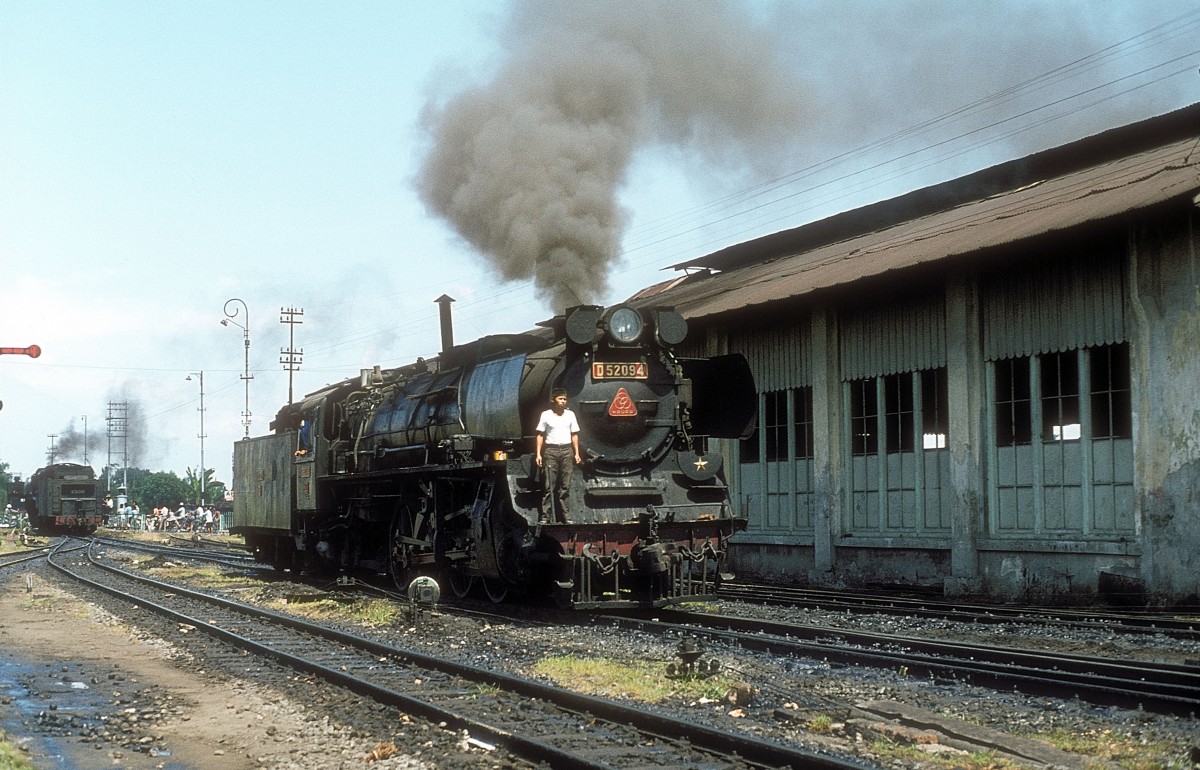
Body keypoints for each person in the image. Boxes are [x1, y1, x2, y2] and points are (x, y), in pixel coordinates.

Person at [535, 387, 581, 523]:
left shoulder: (570, 415)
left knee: (565, 486)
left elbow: (574, 435)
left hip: (567, 451)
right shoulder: (545, 415)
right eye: (560, 399)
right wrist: (538, 454)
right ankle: (545, 516)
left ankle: (566, 516)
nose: (563, 401)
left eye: (565, 399)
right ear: (553, 400)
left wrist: (577, 453)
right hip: (551, 451)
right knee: (548, 486)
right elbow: (540, 435)